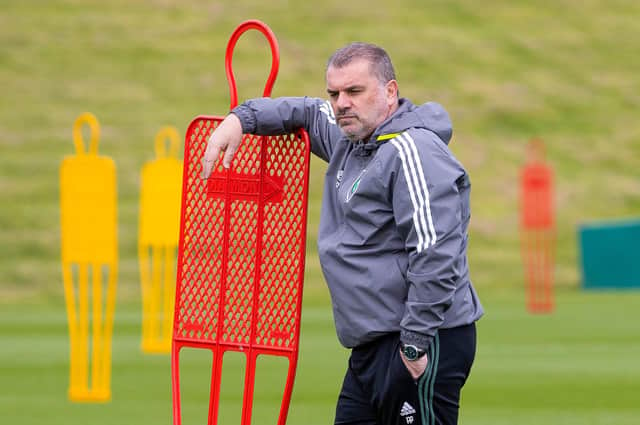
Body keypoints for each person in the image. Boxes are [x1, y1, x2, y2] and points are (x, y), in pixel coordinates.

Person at [202, 42, 483, 425]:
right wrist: (241, 119)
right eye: (334, 93)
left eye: (354, 91)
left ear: (389, 92)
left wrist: (414, 344)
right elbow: (303, 110)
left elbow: (436, 252)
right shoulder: (351, 139)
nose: (341, 103)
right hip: (370, 346)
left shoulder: (413, 150)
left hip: (422, 338)